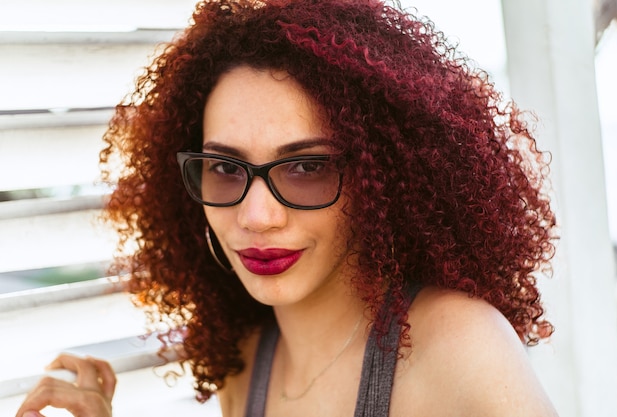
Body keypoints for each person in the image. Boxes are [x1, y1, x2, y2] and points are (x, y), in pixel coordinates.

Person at [16, 0, 560, 416]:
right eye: (226, 168)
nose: (257, 216)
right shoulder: (244, 365)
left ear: (382, 179)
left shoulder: (460, 346)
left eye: (306, 168)